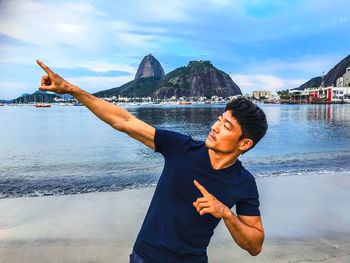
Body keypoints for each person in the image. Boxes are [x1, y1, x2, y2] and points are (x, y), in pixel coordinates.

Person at [37, 60, 267, 263]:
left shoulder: (243, 183)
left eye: (226, 126)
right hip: (146, 256)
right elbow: (124, 121)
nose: (215, 127)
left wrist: (225, 212)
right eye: (219, 119)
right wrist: (71, 89)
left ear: (244, 144)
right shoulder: (181, 148)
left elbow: (255, 245)